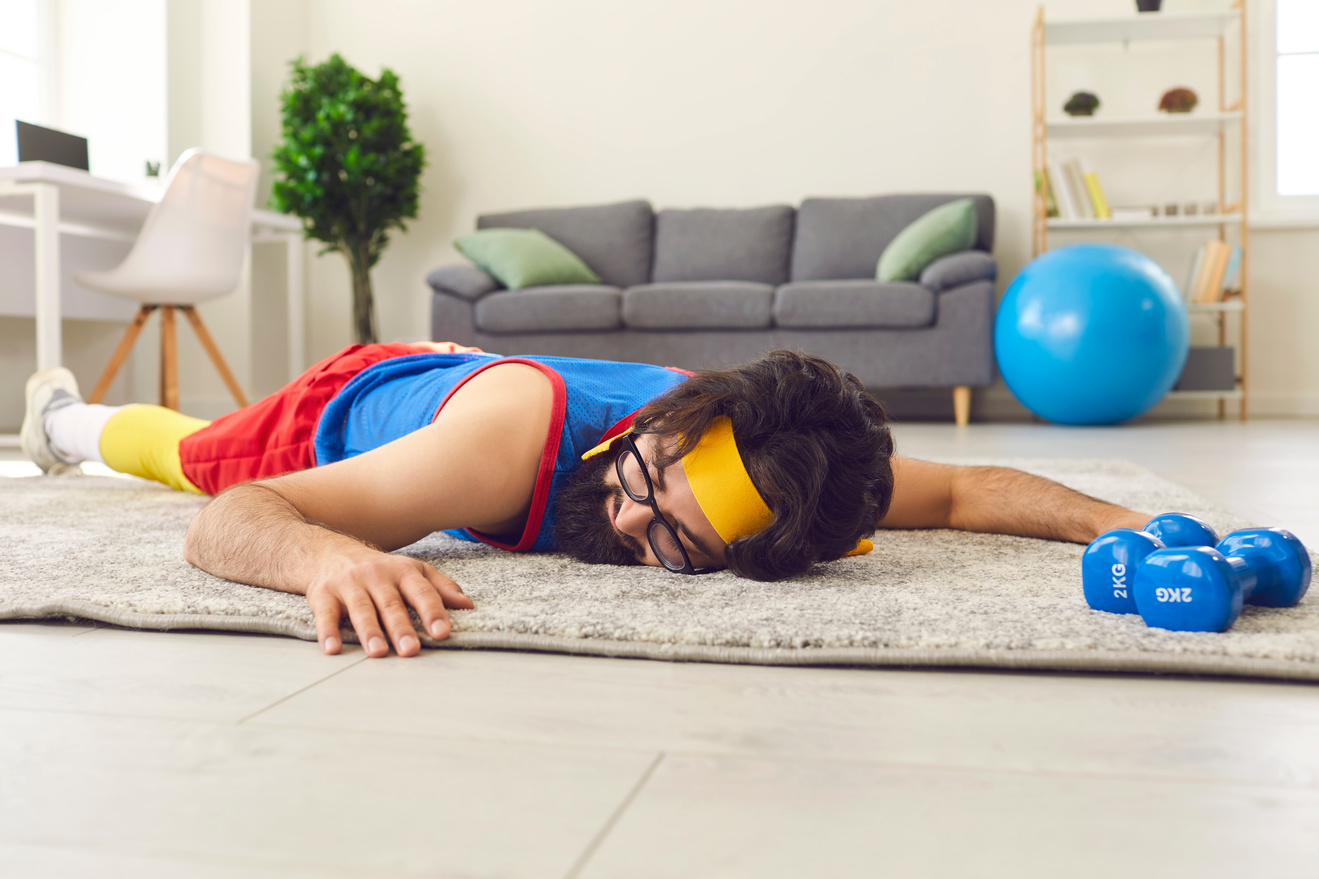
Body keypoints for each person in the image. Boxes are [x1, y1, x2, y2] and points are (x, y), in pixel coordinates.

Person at [22, 343, 1149, 658]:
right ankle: (66, 422)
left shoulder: (784, 473)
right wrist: (329, 560)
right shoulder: (500, 455)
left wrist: (1125, 528)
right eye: (641, 483)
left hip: (464, 375)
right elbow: (230, 523)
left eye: (672, 547)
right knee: (199, 456)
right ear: (667, 421)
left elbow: (960, 494)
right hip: (352, 408)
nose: (623, 521)